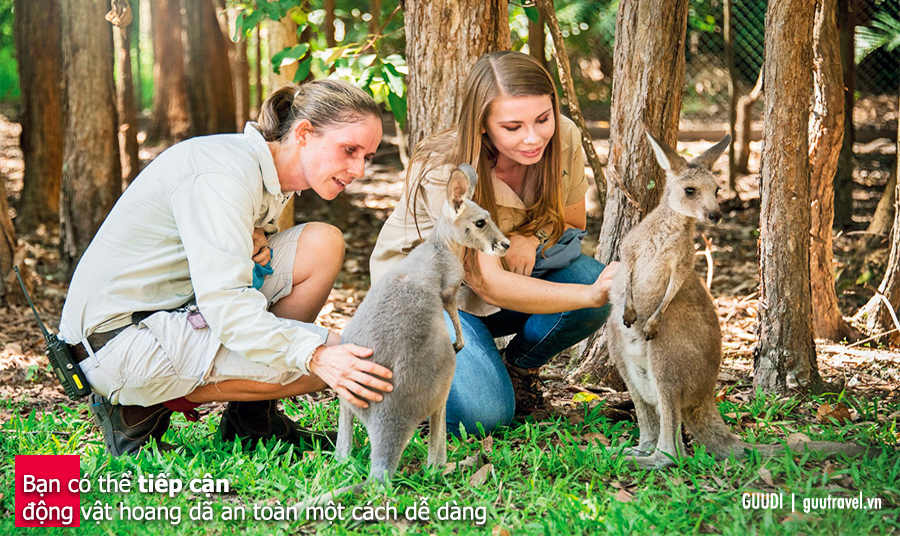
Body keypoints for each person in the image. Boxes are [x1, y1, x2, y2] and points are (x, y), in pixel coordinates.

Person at [59, 79, 394, 456]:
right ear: (303, 133)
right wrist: (318, 352)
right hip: (117, 344)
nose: (360, 169)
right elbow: (229, 310)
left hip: (167, 314)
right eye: (349, 149)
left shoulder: (260, 170)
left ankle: (251, 422)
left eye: (366, 156)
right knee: (343, 358)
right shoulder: (225, 175)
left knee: (322, 244)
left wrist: (255, 236)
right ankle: (142, 406)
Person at [370, 51, 619, 436]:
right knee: (482, 418)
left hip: (493, 292)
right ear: (483, 125)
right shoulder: (446, 170)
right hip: (429, 301)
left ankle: (514, 369)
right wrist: (592, 296)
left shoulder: (563, 135)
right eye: (513, 127)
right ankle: (418, 384)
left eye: (542, 118)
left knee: (588, 274)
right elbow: (488, 283)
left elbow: (572, 221)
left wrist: (529, 238)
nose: (533, 137)